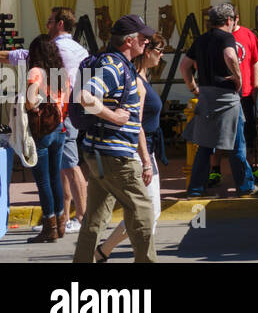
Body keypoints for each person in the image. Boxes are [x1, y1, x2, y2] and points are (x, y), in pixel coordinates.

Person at [72, 16, 156, 263]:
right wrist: (114, 117)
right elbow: (86, 97)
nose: (147, 42)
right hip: (115, 155)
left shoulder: (116, 63)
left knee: (94, 219)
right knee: (142, 211)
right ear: (129, 41)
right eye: (143, 38)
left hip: (99, 152)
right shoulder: (115, 66)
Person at [181, 3, 258, 198]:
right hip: (226, 97)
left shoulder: (200, 40)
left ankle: (195, 189)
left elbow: (184, 66)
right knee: (237, 145)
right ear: (229, 20)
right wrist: (238, 78)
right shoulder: (227, 37)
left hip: (206, 95)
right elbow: (230, 55)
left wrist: (193, 88)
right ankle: (246, 187)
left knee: (205, 144)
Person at [96, 31, 168, 261]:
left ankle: (103, 252)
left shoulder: (142, 76)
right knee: (146, 212)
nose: (162, 55)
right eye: (158, 50)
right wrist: (146, 162)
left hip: (147, 151)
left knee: (147, 212)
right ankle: (108, 252)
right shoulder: (136, 80)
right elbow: (136, 125)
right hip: (138, 152)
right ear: (146, 52)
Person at [23, 34, 70, 243]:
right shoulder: (61, 73)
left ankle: (49, 227)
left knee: (43, 181)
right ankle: (60, 224)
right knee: (54, 177)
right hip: (59, 128)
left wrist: (28, 104)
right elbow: (66, 100)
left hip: (42, 131)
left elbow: (30, 102)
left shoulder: (36, 72)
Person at [211, 10, 258, 184]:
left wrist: (256, 86)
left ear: (237, 19)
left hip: (246, 93)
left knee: (247, 135)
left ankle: (251, 168)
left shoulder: (248, 35)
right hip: (223, 93)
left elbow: (255, 61)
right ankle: (215, 170)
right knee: (220, 134)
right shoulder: (216, 37)